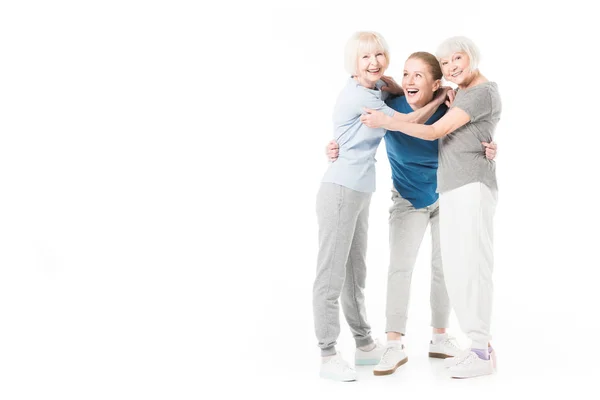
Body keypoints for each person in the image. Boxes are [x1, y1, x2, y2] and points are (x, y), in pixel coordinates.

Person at [327, 51, 497, 376]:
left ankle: (439, 337)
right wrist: (334, 147)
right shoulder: (389, 104)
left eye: (418, 76)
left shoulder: (453, 107)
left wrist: (490, 148)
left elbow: (473, 135)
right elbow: (361, 130)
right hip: (407, 198)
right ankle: (393, 344)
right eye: (406, 74)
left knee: (443, 269)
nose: (408, 81)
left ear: (437, 83)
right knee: (400, 269)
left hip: (445, 195)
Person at [314, 32, 449, 382]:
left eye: (378, 55)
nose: (374, 62)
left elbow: (357, 126)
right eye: (365, 57)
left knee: (355, 274)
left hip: (359, 190)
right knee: (331, 275)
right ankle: (328, 352)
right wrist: (439, 99)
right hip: (341, 188)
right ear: (353, 62)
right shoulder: (362, 96)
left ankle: (363, 344)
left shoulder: (376, 89)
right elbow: (406, 121)